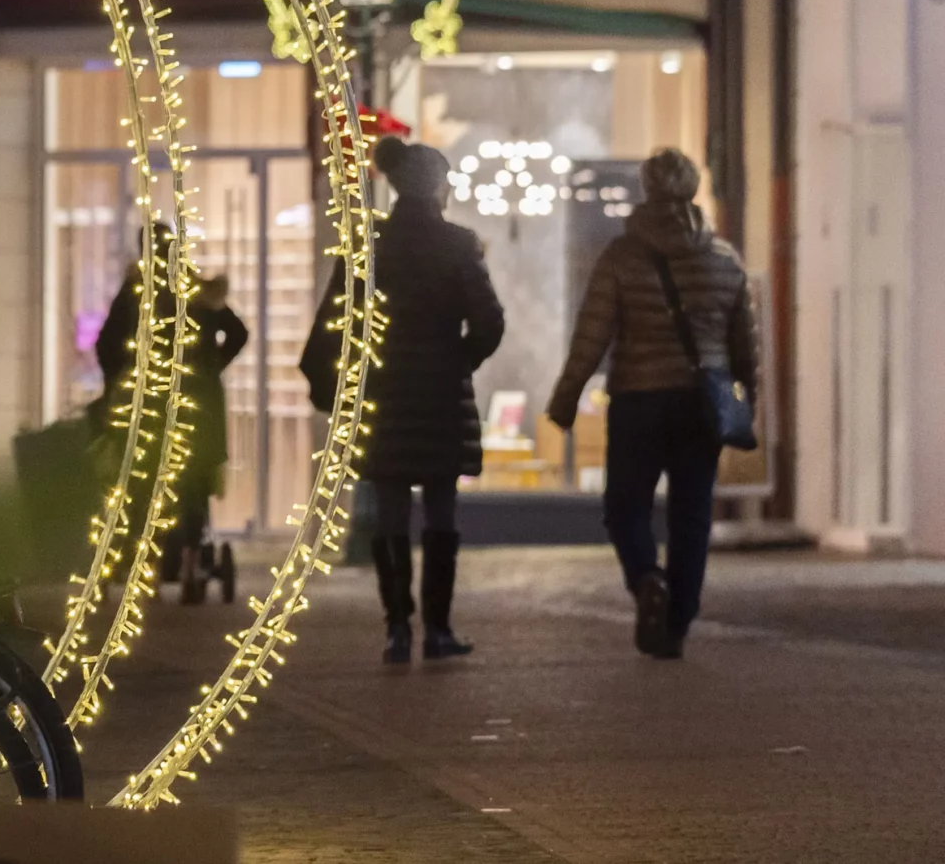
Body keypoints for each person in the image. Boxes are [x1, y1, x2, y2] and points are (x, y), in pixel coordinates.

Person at [547, 147, 759, 660]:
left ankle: (646, 579)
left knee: (624, 507)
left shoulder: (621, 258)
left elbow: (591, 335)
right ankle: (678, 621)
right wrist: (746, 399)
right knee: (692, 515)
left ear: (646, 188)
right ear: (693, 189)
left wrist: (567, 395)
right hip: (700, 404)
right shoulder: (725, 260)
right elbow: (745, 347)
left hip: (638, 400)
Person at [304, 136, 504, 664]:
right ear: (437, 186)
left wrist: (336, 379)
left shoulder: (370, 244)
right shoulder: (459, 244)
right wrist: (459, 360)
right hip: (441, 393)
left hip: (384, 392)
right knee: (441, 510)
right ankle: (438, 629)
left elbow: (335, 319)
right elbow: (489, 320)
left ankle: (397, 628)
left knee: (390, 510)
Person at [96, 242, 247, 602]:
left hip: (155, 408)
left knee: (147, 489)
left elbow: (107, 345)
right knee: (193, 491)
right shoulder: (199, 295)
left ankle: (145, 567)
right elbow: (239, 333)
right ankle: (192, 567)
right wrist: (213, 367)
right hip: (200, 409)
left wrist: (119, 382)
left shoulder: (140, 296)